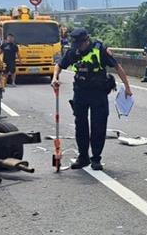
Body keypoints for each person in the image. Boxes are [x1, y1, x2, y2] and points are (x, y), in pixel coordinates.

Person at [52, 29, 132, 171]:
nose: (78, 47)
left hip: (98, 92)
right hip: (81, 92)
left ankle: (96, 158)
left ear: (86, 40)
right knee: (80, 125)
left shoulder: (100, 49)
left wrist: (127, 86)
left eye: (80, 44)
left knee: (98, 126)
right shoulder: (73, 51)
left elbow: (117, 67)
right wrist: (55, 78)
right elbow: (59, 65)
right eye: (76, 44)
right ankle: (83, 157)